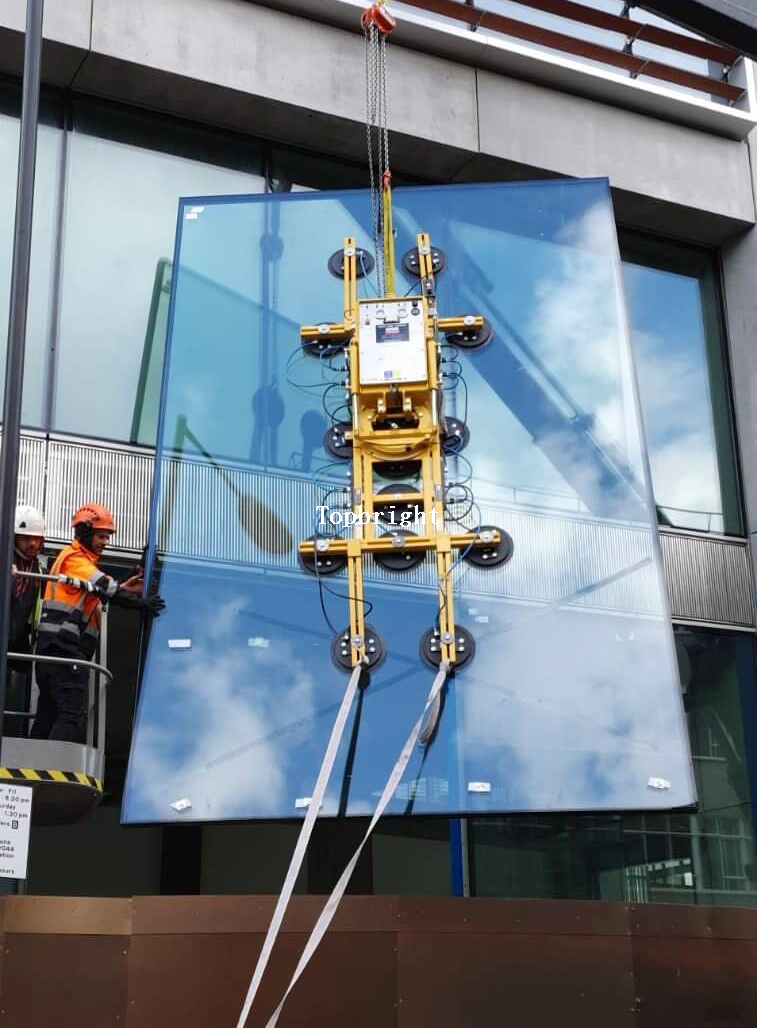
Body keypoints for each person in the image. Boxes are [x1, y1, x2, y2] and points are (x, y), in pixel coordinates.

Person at [31, 503, 164, 742]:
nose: (105, 543)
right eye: (102, 536)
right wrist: (141, 603)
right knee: (70, 715)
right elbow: (105, 586)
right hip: (64, 651)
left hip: (55, 650)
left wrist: (127, 583)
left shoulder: (77, 563)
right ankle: (50, 775)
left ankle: (29, 766)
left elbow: (98, 592)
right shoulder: (74, 560)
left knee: (48, 716)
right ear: (85, 533)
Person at [7, 505, 46, 735]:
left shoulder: (39, 570)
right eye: (26, 539)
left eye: (37, 540)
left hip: (17, 639)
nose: (33, 545)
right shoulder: (5, 558)